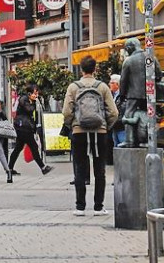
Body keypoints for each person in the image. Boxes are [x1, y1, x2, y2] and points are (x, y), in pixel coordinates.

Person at [61, 55, 120, 216]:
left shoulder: (73, 87)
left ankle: (80, 207)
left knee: (80, 169)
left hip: (79, 132)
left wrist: (72, 125)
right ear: (95, 69)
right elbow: (114, 112)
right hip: (99, 132)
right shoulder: (102, 87)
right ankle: (98, 207)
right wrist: (105, 125)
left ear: (81, 69)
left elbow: (66, 112)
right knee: (99, 170)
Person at [8, 84, 52, 176]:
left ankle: (9, 169)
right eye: (34, 93)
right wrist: (33, 102)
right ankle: (43, 167)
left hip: (25, 127)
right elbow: (29, 109)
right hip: (23, 127)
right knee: (34, 147)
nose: (36, 95)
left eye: (37, 93)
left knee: (18, 148)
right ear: (29, 93)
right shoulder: (24, 99)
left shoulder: (30, 100)